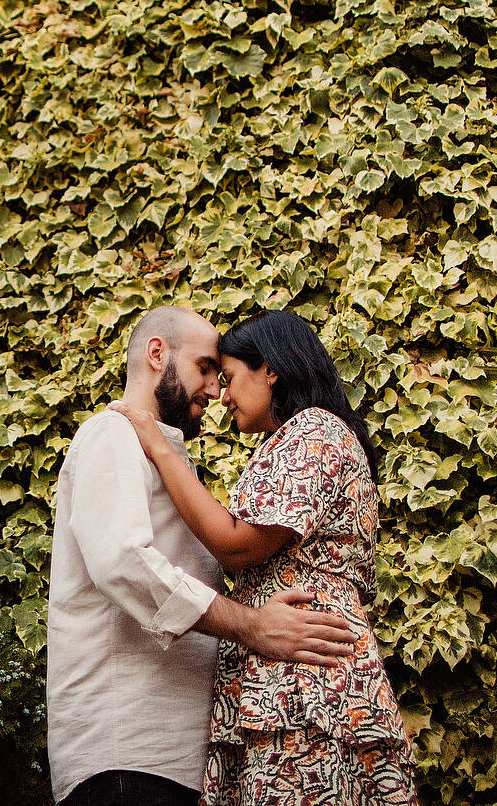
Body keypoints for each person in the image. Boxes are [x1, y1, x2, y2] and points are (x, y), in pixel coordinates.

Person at [47, 305, 358, 806]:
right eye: (205, 369)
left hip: (177, 762)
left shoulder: (164, 457)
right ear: (157, 354)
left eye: (221, 374)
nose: (216, 391)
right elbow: (123, 562)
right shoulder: (112, 435)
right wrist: (253, 626)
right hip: (127, 754)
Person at [108, 310, 418, 806]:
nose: (222, 395)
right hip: (287, 672)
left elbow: (235, 545)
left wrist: (158, 447)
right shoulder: (295, 439)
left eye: (229, 378)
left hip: (306, 679)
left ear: (270, 370)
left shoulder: (314, 432)